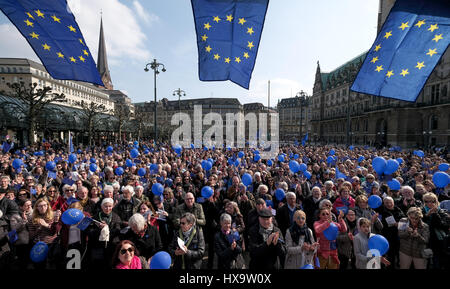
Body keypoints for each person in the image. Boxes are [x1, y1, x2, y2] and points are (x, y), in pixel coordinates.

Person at [27, 197, 61, 269]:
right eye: (41, 206)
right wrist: (39, 228)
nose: (43, 207)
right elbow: (31, 236)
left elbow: (56, 231)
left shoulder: (54, 215)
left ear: (48, 206)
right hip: (39, 245)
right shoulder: (31, 218)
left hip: (52, 244)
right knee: (39, 266)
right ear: (36, 207)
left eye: (45, 205)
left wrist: (45, 225)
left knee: (51, 265)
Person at [89, 197, 122, 269]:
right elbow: (90, 231)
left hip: (111, 245)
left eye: (110, 206)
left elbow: (118, 230)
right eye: (105, 206)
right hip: (98, 246)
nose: (107, 208)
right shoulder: (95, 217)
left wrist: (107, 229)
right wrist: (100, 230)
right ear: (101, 206)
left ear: (113, 206)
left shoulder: (116, 217)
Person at [421, 193, 450, 269]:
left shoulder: (443, 212)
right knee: (425, 262)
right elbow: (418, 224)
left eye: (432, 201)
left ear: (436, 202)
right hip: (425, 241)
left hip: (438, 241)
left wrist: (435, 214)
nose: (429, 203)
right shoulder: (420, 212)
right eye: (427, 201)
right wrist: (427, 215)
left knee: (437, 262)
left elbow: (444, 226)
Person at [378, 196, 405, 268]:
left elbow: (405, 222)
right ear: (384, 203)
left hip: (400, 237)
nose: (389, 204)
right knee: (391, 256)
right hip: (388, 237)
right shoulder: (382, 212)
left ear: (393, 202)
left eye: (390, 202)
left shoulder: (398, 209)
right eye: (386, 203)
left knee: (400, 256)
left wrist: (398, 224)